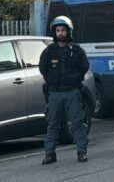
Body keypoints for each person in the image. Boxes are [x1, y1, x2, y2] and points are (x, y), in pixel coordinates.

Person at [39, 16, 90, 165]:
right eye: (58, 30)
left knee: (77, 123)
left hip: (72, 92)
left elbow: (84, 67)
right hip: (54, 93)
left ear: (69, 31)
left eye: (63, 30)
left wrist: (74, 78)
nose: (60, 33)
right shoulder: (48, 52)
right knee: (52, 124)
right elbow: (43, 69)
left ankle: (81, 152)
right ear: (54, 32)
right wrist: (52, 80)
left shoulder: (77, 50)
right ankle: (50, 154)